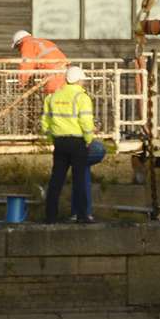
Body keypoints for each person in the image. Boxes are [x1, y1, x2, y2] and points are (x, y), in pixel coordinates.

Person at [42, 64, 96, 223]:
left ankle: (50, 216)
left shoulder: (53, 97)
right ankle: (82, 215)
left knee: (56, 179)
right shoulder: (82, 98)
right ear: (79, 81)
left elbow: (45, 121)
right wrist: (88, 139)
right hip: (77, 142)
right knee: (79, 179)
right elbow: (86, 122)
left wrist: (51, 137)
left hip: (59, 142)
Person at [14, 29, 69, 95]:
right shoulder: (43, 41)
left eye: (17, 47)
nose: (18, 50)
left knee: (53, 99)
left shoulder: (27, 44)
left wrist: (21, 83)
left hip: (54, 73)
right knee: (65, 97)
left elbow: (26, 65)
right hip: (65, 70)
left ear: (19, 42)